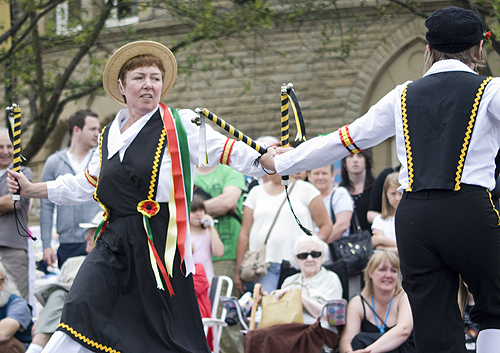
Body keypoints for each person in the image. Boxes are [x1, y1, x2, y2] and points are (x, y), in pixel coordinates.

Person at [260, 6, 500, 352]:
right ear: (479, 50)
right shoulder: (490, 90)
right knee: (495, 307)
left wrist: (286, 158)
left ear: (428, 51)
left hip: (415, 218)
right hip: (467, 211)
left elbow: (344, 139)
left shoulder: (403, 94)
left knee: (433, 322)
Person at [7, 40, 270, 353]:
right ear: (121, 85)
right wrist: (31, 188)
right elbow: (85, 183)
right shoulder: (107, 136)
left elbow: (228, 150)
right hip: (114, 239)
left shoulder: (179, 124)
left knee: (161, 334)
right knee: (79, 306)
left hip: (158, 243)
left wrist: (266, 157)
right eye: (139, 77)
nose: (149, 85)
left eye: (155, 78)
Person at [235, 171, 332, 294]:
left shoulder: (305, 189)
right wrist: (239, 270)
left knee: (295, 307)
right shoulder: (255, 193)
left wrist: (311, 250)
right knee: (267, 308)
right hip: (264, 267)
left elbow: (326, 225)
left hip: (298, 264)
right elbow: (244, 233)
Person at [25, 212, 99, 353]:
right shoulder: (71, 263)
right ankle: (37, 345)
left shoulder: (113, 266)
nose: (86, 237)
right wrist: (41, 317)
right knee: (58, 294)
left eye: (92, 232)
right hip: (63, 316)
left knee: (60, 293)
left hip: (86, 315)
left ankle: (36, 347)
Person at [40, 110, 101, 269]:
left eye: (98, 129)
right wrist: (46, 245)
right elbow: (46, 207)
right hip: (67, 243)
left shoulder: (101, 160)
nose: (98, 133)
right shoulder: (54, 162)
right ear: (76, 130)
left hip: (97, 240)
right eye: (92, 129)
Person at [339, 250, 415, 353]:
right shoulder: (358, 302)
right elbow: (347, 338)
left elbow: (404, 330)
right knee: (358, 340)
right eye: (382, 270)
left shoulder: (404, 297)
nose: (388, 275)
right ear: (370, 272)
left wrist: (368, 351)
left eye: (393, 271)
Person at [276, 235, 343, 330]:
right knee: (255, 336)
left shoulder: (331, 279)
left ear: (322, 256)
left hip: (318, 330)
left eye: (315, 254)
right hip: (289, 329)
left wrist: (299, 297)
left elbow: (334, 317)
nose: (309, 259)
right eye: (303, 255)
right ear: (296, 259)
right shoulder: (289, 281)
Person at [0, 127, 32, 301]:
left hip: (14, 248)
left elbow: (14, 202)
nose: (5, 151)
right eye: (0, 147)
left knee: (18, 300)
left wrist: (9, 201)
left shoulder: (23, 173)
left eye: (9, 146)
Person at [308, 165, 353, 243]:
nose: (320, 177)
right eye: (316, 173)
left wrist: (317, 246)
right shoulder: (305, 197)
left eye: (324, 173)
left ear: (333, 176)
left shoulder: (340, 194)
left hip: (334, 250)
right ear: (309, 176)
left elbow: (342, 226)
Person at [0, 261, 34, 352]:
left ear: (5, 281)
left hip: (22, 348)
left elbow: (3, 333)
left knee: (5, 344)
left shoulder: (17, 303)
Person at [339, 150, 375, 231]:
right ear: (344, 163)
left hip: (371, 239)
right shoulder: (339, 191)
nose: (355, 160)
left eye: (360, 156)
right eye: (351, 156)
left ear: (366, 161)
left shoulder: (376, 189)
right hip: (344, 241)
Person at [190, 196, 224, 279]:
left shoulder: (208, 231)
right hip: (190, 278)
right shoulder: (183, 234)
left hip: (207, 277)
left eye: (201, 210)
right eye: (194, 211)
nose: (198, 214)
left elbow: (219, 253)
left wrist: (211, 227)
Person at [371, 172, 401, 254]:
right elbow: (378, 248)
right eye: (393, 194)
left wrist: (383, 242)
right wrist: (401, 248)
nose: (397, 198)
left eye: (401, 193)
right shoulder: (379, 220)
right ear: (386, 194)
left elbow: (411, 248)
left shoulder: (411, 219)